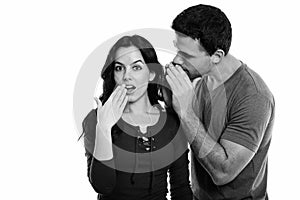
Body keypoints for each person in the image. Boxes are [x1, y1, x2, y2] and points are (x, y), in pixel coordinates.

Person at [165, 4, 275, 200]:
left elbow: (223, 172)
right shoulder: (197, 79)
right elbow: (183, 136)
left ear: (216, 56)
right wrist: (170, 101)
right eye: (178, 50)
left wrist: (185, 112)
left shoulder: (254, 96)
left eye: (187, 56)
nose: (177, 61)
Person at [80, 35, 192, 200]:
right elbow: (102, 186)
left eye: (136, 67)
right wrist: (104, 127)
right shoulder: (96, 119)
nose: (126, 76)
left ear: (152, 73)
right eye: (119, 68)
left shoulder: (171, 123)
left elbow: (181, 189)